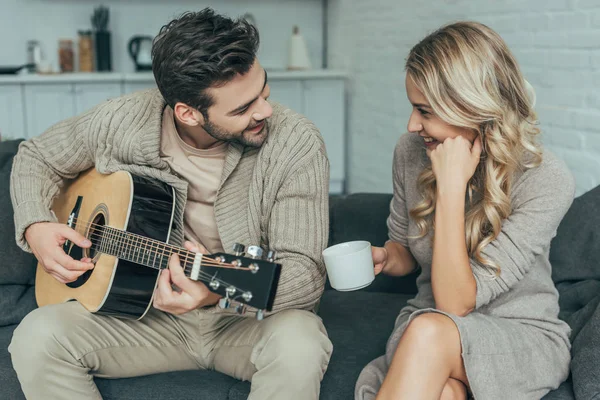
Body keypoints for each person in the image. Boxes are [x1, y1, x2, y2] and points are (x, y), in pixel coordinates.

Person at [9, 8, 332, 400]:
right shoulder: (123, 119)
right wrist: (36, 227)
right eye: (242, 108)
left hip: (245, 323)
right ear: (187, 112)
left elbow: (305, 275)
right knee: (35, 336)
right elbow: (36, 157)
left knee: (301, 342)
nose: (264, 111)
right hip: (146, 318)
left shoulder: (295, 142)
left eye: (263, 91)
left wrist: (215, 291)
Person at [355, 21, 573, 400]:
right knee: (443, 392)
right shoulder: (410, 151)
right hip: (430, 328)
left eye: (424, 111)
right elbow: (407, 250)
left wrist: (452, 188)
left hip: (517, 334)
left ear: (471, 107)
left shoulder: (546, 179)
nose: (412, 125)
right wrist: (386, 257)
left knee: (430, 331)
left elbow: (455, 303)